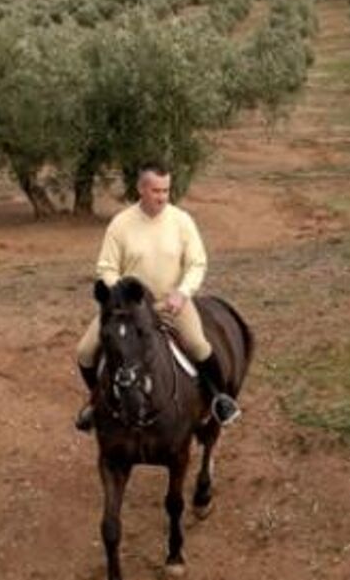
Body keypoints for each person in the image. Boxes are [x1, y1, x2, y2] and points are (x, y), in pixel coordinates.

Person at [75, 163, 240, 432]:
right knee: (84, 350)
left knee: (199, 346)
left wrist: (182, 293)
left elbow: (197, 263)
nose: (162, 196)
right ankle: (96, 401)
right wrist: (121, 295)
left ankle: (220, 400)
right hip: (127, 310)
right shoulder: (121, 223)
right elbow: (106, 266)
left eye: (166, 190)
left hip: (170, 304)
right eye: (156, 190)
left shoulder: (182, 221)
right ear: (141, 189)